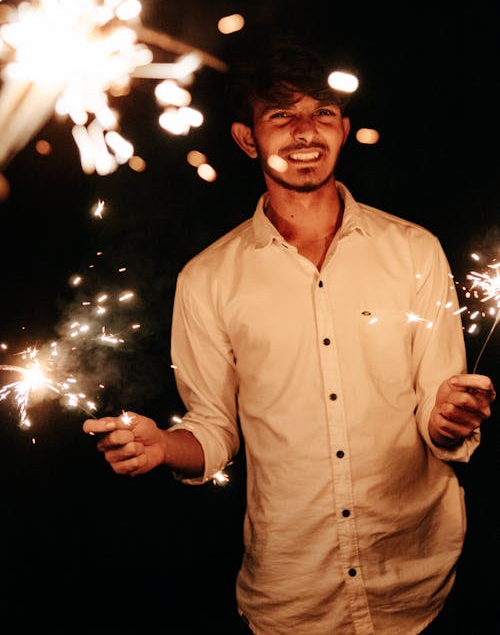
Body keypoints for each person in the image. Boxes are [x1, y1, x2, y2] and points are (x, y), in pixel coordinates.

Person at [83, 41, 495, 635]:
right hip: (293, 594)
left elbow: (437, 404)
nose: (306, 131)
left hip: (421, 581)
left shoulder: (415, 250)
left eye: (322, 113)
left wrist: (452, 418)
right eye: (281, 116)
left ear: (344, 129)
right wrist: (162, 447)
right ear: (248, 139)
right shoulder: (207, 278)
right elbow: (214, 429)